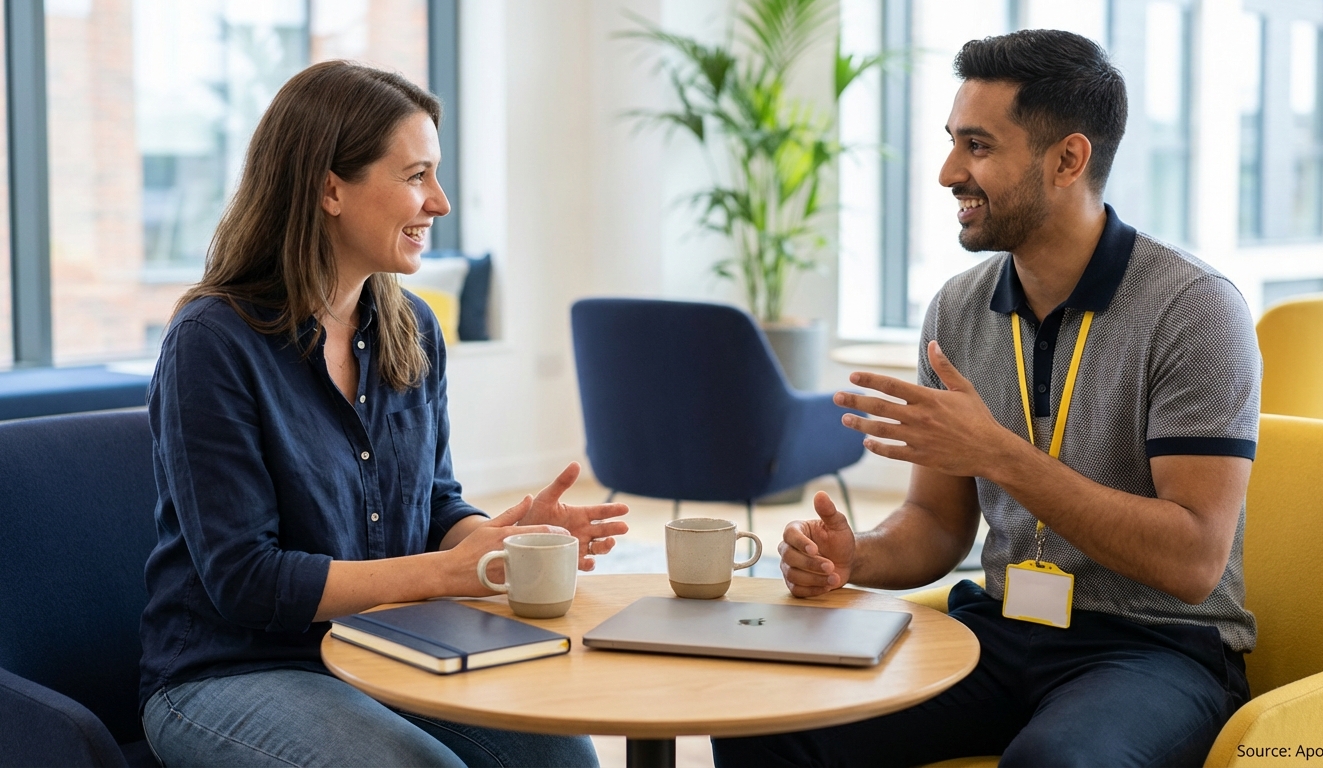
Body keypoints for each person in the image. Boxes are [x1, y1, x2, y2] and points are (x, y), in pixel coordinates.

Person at [714, 29, 1258, 768]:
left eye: (977, 146)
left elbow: (1194, 561)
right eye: (951, 141)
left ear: (1068, 159)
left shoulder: (1195, 309)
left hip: (1155, 647)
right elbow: (939, 523)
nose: (946, 172)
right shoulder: (957, 311)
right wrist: (857, 556)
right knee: (763, 719)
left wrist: (998, 453)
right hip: (1000, 628)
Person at [138, 60, 628, 767]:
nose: (441, 202)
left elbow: (433, 504)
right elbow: (246, 580)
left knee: (562, 757)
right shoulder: (212, 342)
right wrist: (449, 573)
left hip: (386, 646)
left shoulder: (413, 330)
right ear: (329, 188)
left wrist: (502, 540)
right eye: (416, 175)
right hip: (233, 670)